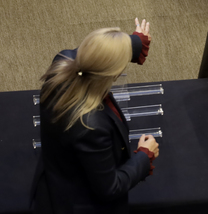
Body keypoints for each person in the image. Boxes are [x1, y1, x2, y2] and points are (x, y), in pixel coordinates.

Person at [31, 18, 158, 214]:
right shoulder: (91, 126)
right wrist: (143, 156)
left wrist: (133, 44)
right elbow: (109, 188)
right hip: (79, 203)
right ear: (113, 75)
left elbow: (90, 54)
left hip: (56, 172)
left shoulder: (62, 63)